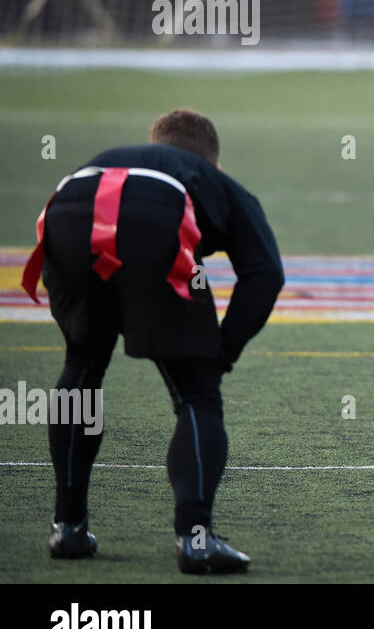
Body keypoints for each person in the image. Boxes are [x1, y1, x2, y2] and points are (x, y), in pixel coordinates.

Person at [22, 109, 284, 574]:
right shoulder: (209, 178)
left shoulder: (109, 159)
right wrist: (222, 352)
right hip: (154, 218)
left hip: (67, 211)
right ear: (212, 163)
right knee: (197, 394)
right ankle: (195, 540)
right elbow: (265, 272)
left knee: (82, 364)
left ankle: (67, 527)